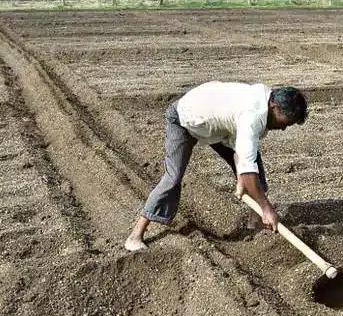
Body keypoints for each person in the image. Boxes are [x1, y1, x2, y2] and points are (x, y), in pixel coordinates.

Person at [125, 81, 308, 251]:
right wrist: (267, 208)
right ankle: (136, 235)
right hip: (184, 119)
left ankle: (257, 228)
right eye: (284, 123)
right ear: (274, 106)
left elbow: (241, 151)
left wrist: (241, 180)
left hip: (216, 126)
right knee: (173, 178)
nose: (283, 129)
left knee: (255, 176)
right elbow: (247, 168)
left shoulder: (265, 101)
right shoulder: (252, 117)